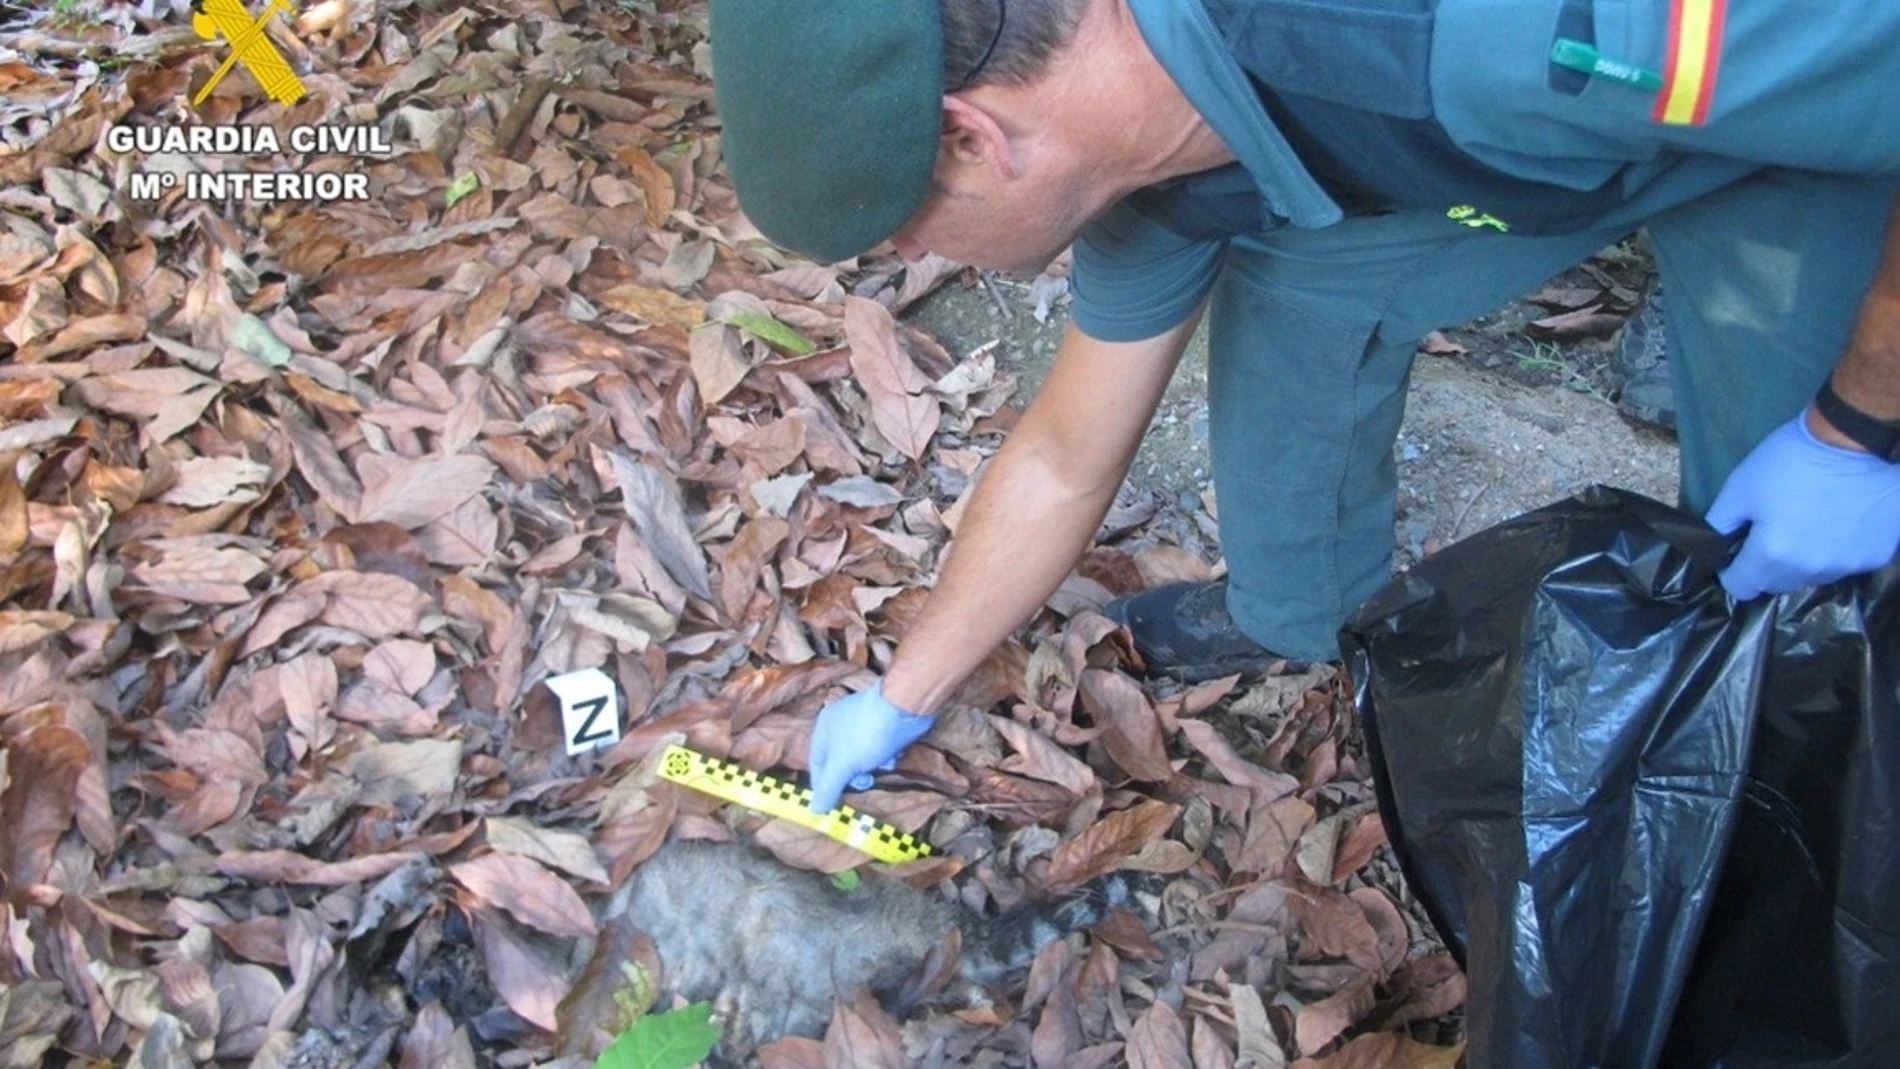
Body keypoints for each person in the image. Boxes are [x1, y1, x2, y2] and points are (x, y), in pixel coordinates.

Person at [704, 0, 1900, 813]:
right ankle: (1297, 607)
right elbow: (1067, 454)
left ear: (972, 136)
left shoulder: (1484, 29)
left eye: (903, 228)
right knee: (1286, 284)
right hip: (1518, 149)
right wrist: (899, 697)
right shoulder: (1147, 172)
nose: (919, 254)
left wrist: (1862, 427)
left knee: (1789, 555)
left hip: (1796, 133)